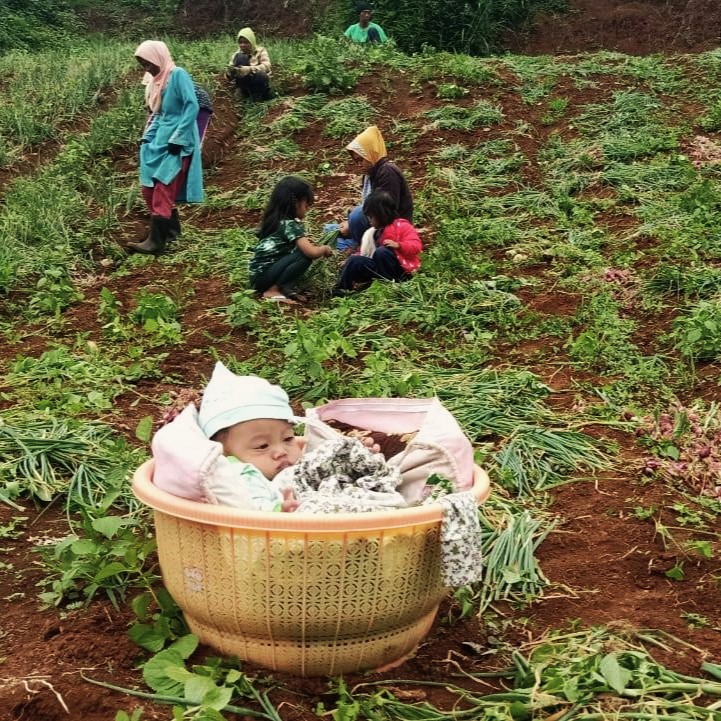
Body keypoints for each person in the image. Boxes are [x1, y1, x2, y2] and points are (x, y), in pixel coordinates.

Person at [128, 40, 204, 256]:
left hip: (178, 143)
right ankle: (171, 231)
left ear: (158, 56)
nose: (148, 68)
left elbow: (192, 105)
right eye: (143, 64)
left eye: (149, 62)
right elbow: (157, 114)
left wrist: (178, 137)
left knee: (163, 186)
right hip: (158, 141)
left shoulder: (177, 75)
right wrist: (146, 139)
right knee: (148, 188)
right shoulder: (156, 83)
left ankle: (156, 242)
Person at [249, 176, 333, 303]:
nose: (307, 209)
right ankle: (273, 290)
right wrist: (324, 249)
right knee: (303, 256)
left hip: (258, 275)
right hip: (263, 277)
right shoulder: (289, 225)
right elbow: (311, 252)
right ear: (295, 202)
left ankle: (285, 289)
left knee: (298, 253)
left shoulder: (276, 221)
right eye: (306, 204)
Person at [338, 125, 413, 252]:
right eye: (356, 161)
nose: (359, 165)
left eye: (362, 159)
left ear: (371, 153)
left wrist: (351, 224)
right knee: (330, 229)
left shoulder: (387, 172)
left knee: (356, 215)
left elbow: (386, 211)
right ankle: (359, 243)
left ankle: (363, 247)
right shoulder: (370, 174)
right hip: (374, 221)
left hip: (391, 227)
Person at [335, 189, 422, 294]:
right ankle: (341, 290)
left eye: (371, 217)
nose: (369, 220)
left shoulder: (402, 226)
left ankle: (389, 288)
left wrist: (399, 245)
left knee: (382, 252)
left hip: (400, 271)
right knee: (354, 260)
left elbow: (416, 246)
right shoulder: (372, 233)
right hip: (379, 270)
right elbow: (365, 252)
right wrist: (351, 260)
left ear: (381, 215)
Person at [225, 27, 272, 101]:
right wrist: (230, 73)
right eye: (240, 42)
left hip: (258, 84)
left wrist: (249, 69)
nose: (243, 45)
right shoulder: (237, 54)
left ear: (252, 42)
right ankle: (240, 91)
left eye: (246, 42)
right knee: (240, 57)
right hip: (243, 83)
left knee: (261, 74)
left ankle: (257, 98)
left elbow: (267, 66)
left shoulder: (261, 51)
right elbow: (229, 74)